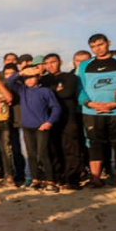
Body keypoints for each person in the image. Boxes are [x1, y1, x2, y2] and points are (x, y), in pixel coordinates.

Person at [77, 34, 116, 189]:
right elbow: (80, 88)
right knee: (94, 145)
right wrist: (89, 103)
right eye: (93, 47)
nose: (98, 49)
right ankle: (96, 179)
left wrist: (115, 104)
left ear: (109, 43)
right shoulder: (84, 65)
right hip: (92, 112)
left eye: (100, 44)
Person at [8, 61, 62, 192]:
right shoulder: (22, 90)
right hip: (27, 127)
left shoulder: (45, 91)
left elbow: (56, 108)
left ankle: (50, 181)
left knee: (43, 154)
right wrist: (22, 72)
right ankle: (35, 180)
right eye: (26, 78)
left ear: (38, 77)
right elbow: (9, 81)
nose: (29, 80)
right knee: (31, 155)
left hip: (41, 127)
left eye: (32, 77)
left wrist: (49, 122)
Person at [41, 53, 84, 189]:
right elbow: (40, 95)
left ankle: (73, 179)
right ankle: (58, 177)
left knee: (71, 148)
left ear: (60, 62)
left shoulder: (71, 77)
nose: (50, 65)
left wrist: (49, 92)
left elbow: (68, 93)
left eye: (53, 62)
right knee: (53, 149)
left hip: (68, 118)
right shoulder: (42, 80)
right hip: (49, 118)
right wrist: (56, 90)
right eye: (47, 63)